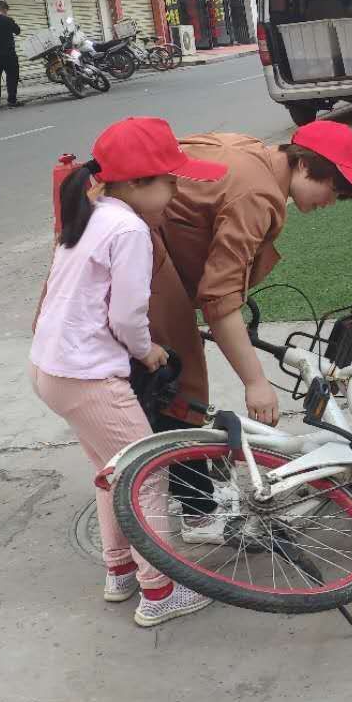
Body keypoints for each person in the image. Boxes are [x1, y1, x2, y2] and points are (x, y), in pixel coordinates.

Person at [30, 117, 228, 628]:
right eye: (170, 182)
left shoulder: (92, 213)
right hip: (89, 377)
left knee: (112, 472)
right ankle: (160, 590)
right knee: (147, 473)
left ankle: (119, 570)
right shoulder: (131, 230)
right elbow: (125, 316)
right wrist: (147, 351)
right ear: (138, 181)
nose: (176, 194)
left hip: (53, 371)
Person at [147, 120, 352, 537]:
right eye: (336, 189)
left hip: (125, 238)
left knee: (164, 380)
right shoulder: (257, 193)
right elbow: (219, 300)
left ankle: (179, 488)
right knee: (181, 385)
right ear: (306, 166)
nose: (333, 201)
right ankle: (197, 514)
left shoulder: (255, 153)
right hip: (136, 252)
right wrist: (256, 383)